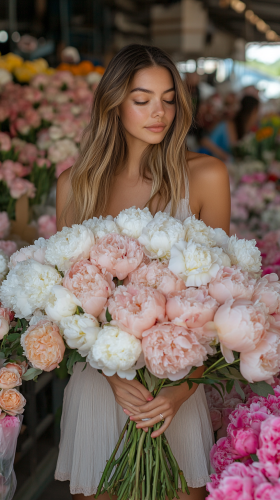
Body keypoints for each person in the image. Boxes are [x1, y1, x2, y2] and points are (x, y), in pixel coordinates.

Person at [55, 44, 230, 500]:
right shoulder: (76, 186)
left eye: (169, 99)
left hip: (173, 394)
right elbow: (65, 303)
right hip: (101, 388)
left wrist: (180, 392)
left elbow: (219, 303)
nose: (160, 112)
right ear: (114, 103)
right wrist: (112, 375)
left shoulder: (207, 176)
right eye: (143, 99)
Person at [199, 94, 259, 161]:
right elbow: (205, 142)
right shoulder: (225, 125)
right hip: (208, 163)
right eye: (257, 112)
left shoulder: (247, 131)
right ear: (253, 111)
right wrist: (225, 156)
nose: (257, 116)